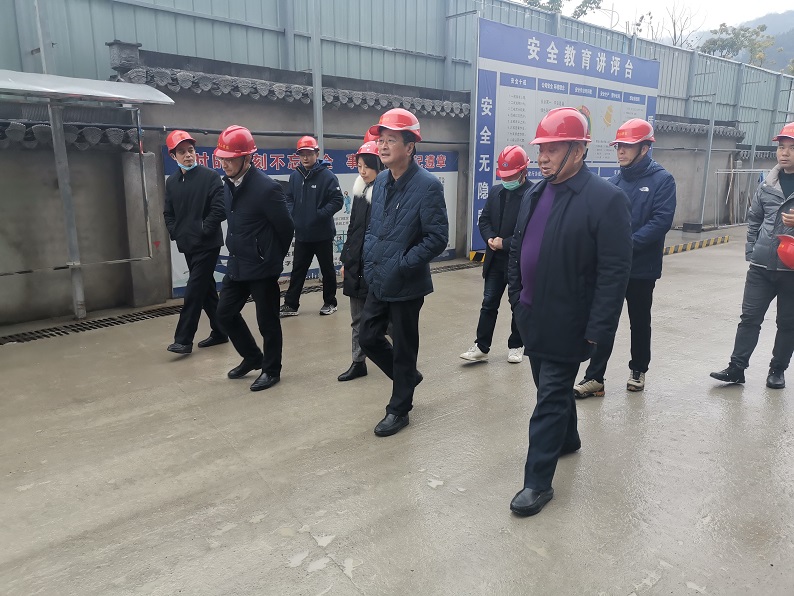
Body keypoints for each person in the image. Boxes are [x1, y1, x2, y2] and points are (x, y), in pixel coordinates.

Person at [507, 108, 632, 517]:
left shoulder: (606, 200)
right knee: (550, 388)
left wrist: (599, 328)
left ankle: (537, 483)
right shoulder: (535, 193)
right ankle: (569, 439)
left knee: (547, 399)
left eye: (553, 149)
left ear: (578, 150)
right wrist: (516, 297)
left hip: (569, 320)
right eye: (541, 149)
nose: (542, 158)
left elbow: (614, 271)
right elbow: (518, 248)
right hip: (531, 313)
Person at [359, 108, 449, 437]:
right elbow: (375, 227)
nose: (382, 146)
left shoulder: (428, 186)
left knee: (405, 348)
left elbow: (437, 238)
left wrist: (403, 262)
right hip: (379, 275)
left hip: (407, 282)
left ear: (410, 147)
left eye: (391, 140)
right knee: (368, 337)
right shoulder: (382, 180)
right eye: (381, 140)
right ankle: (407, 377)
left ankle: (399, 409)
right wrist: (370, 258)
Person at [573, 119, 676, 397]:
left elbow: (661, 221)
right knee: (604, 320)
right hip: (612, 268)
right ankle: (595, 378)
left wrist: (624, 246)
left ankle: (638, 369)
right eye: (618, 146)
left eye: (627, 146)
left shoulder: (662, 180)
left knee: (639, 321)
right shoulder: (614, 182)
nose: (620, 151)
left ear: (645, 148)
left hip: (642, 268)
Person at [710, 121, 794, 390]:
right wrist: (752, 251)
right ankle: (736, 369)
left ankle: (777, 370)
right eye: (781, 147)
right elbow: (754, 219)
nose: (784, 153)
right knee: (749, 318)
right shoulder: (767, 184)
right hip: (761, 266)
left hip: (792, 270)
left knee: (787, 323)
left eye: (791, 148)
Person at [213, 125, 294, 391]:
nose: (225, 163)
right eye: (222, 158)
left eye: (230, 159)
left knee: (267, 322)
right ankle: (252, 357)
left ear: (247, 158)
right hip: (237, 263)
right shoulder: (228, 185)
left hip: (262, 267)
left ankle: (271, 370)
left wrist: (271, 258)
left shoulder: (267, 188)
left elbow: (286, 228)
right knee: (224, 314)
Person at [460, 145, 529, 364]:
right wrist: (489, 237)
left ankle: (516, 345)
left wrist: (505, 243)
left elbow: (531, 231)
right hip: (495, 261)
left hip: (518, 261)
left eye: (511, 175)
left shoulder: (532, 195)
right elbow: (484, 220)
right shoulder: (495, 191)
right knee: (489, 303)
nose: (506, 180)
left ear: (523, 171)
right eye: (504, 175)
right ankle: (481, 346)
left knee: (517, 304)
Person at [163, 130, 228, 355]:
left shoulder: (210, 177)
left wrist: (203, 231)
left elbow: (220, 209)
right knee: (206, 290)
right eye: (182, 152)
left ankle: (183, 340)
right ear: (173, 156)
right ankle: (221, 331)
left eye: (190, 150)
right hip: (187, 244)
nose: (188, 155)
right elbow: (168, 213)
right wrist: (177, 232)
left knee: (193, 291)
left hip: (207, 244)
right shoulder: (172, 182)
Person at [280, 136, 344, 317]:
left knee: (327, 270)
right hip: (302, 234)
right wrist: (293, 213)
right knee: (298, 270)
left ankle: (330, 302)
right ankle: (291, 305)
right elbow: (289, 198)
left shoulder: (327, 176)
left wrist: (319, 215)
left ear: (317, 153)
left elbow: (337, 200)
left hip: (322, 234)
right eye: (302, 154)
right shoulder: (295, 176)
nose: (305, 158)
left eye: (309, 153)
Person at [338, 141, 384, 382]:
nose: (362, 171)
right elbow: (353, 229)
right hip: (356, 264)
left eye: (367, 166)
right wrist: (346, 260)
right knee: (357, 318)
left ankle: (401, 357)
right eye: (359, 166)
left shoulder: (385, 193)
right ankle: (358, 363)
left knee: (385, 320)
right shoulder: (359, 191)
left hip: (376, 266)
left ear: (379, 166)